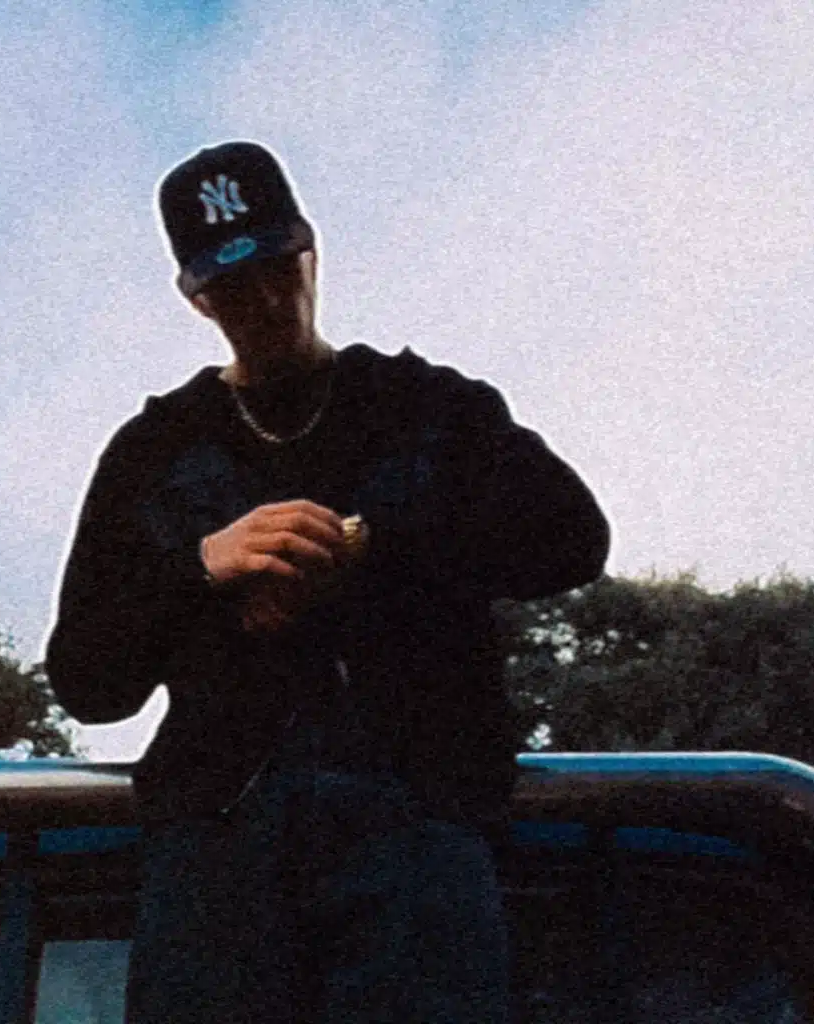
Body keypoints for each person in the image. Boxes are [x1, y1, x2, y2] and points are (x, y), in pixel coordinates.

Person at [45, 140, 610, 1023]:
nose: (269, 303)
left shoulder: (430, 407)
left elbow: (574, 539)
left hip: (419, 826)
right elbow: (85, 678)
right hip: (221, 850)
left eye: (279, 269)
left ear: (310, 253)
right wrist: (204, 567)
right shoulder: (153, 451)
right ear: (197, 297)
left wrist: (376, 545)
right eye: (235, 287)